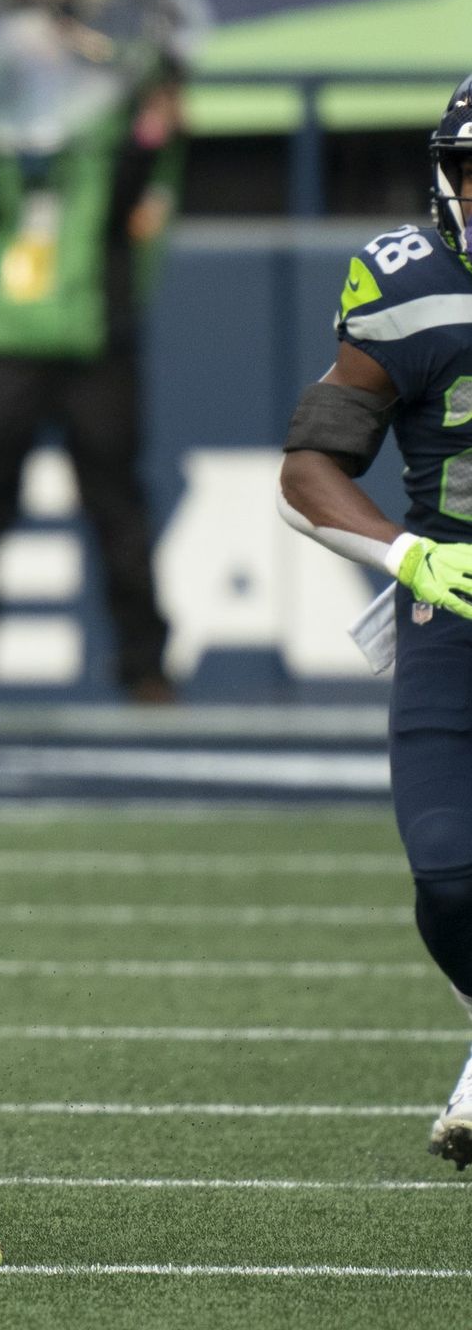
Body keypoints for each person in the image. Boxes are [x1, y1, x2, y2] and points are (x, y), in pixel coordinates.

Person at [277, 74, 472, 1171]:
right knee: (448, 873)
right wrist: (408, 552)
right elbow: (311, 466)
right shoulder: (409, 283)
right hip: (456, 605)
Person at [0, 0, 184, 703]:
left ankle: (146, 672)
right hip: (3, 331)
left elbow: (147, 150)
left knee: (118, 508)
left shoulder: (122, 66)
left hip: (95, 332)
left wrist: (154, 123)